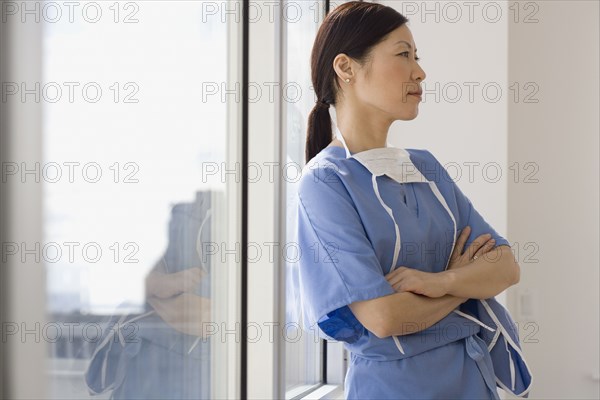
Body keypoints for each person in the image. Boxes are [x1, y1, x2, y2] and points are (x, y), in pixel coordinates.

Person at [296, 2, 532, 399]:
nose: (419, 72)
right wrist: (463, 285)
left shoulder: (425, 167)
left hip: (473, 381)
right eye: (403, 55)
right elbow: (384, 318)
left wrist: (438, 282)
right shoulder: (325, 184)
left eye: (416, 57)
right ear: (346, 67)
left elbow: (505, 266)